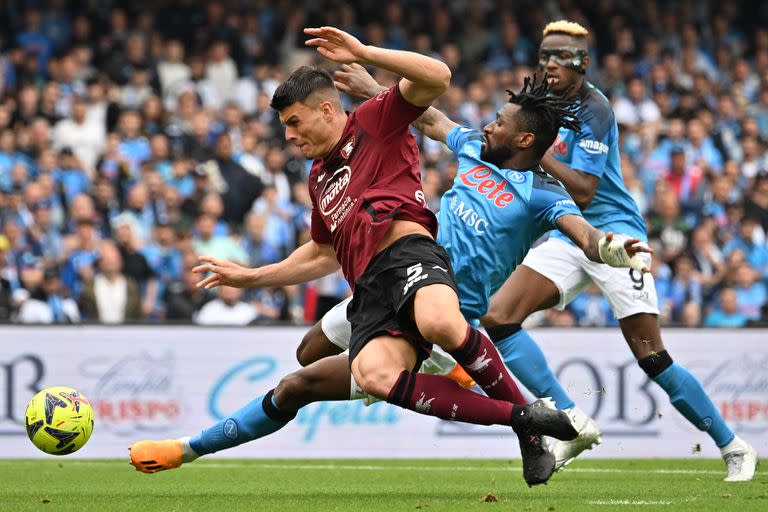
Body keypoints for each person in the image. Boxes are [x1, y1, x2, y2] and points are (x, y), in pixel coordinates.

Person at [130, 26, 591, 484]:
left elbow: (437, 76)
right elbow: (321, 255)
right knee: (334, 373)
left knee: (441, 324)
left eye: (293, 122)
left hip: (410, 256)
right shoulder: (319, 179)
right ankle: (524, 419)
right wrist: (251, 277)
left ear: (326, 110)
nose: (288, 136)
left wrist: (365, 52)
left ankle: (517, 420)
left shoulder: (375, 119)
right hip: (370, 291)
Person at [293, 64, 651, 485]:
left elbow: (586, 237)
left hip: (450, 308)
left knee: (330, 380)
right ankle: (536, 421)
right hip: (396, 279)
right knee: (308, 350)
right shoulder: (476, 147)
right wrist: (374, 89)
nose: (487, 125)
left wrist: (609, 248)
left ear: (524, 139)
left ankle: (538, 422)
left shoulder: (545, 193)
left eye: (498, 122)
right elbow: (429, 118)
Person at [479, 20, 755, 481]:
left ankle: (733, 446)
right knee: (498, 317)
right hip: (569, 233)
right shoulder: (539, 104)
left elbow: (585, 190)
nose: (549, 65)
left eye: (560, 58)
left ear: (582, 64)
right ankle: (571, 422)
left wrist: (535, 148)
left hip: (616, 238)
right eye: (544, 55)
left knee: (652, 358)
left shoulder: (596, 109)